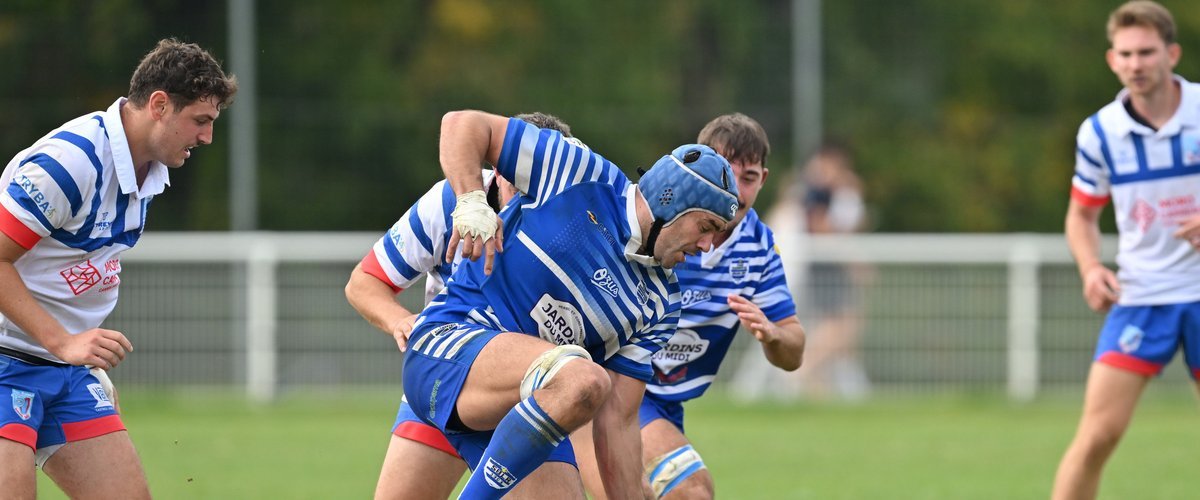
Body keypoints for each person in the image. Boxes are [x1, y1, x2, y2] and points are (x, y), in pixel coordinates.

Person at [392, 109, 739, 499]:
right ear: (670, 202)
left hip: (531, 407)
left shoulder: (662, 303)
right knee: (586, 378)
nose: (709, 246)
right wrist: (471, 199)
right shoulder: (580, 172)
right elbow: (461, 123)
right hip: (448, 349)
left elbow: (619, 425)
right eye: (706, 227)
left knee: (579, 383)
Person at [0, 39, 236, 498]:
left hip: (64, 373)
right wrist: (63, 340)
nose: (206, 138)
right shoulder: (70, 162)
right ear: (160, 105)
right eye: (201, 121)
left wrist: (81, 357)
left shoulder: (147, 172)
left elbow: (71, 269)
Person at [572, 113, 806, 500]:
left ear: (763, 180)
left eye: (747, 179)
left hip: (665, 404)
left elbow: (794, 351)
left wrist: (773, 334)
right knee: (690, 490)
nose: (736, 193)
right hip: (615, 389)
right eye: (724, 173)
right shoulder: (658, 227)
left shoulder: (758, 248)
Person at [345, 112, 575, 499]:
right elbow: (364, 283)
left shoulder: (576, 228)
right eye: (518, 177)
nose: (527, 194)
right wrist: (401, 321)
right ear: (499, 170)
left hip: (528, 398)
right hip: (446, 382)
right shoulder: (451, 201)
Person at [1053, 2, 1200, 499]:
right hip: (1142, 294)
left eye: (1146, 52)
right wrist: (1091, 267)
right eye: (1126, 54)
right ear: (1112, 60)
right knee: (1097, 436)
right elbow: (1081, 215)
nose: (1136, 64)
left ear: (1172, 54)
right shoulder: (1099, 133)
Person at [793, 141, 872, 400]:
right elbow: (822, 227)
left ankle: (819, 385)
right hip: (826, 265)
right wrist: (852, 259)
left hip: (830, 264)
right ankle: (804, 369)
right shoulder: (816, 192)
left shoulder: (838, 191)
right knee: (841, 326)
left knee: (846, 330)